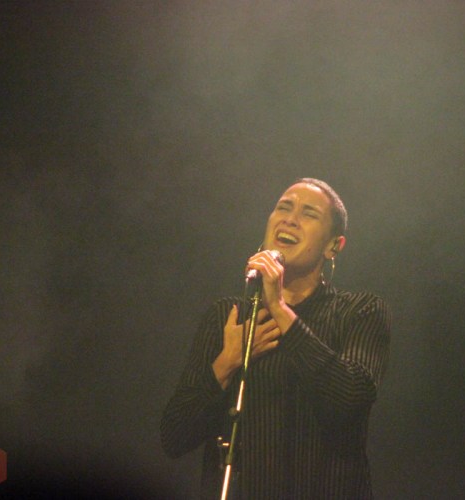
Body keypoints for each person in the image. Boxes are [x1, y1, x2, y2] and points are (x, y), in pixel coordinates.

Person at [161, 178, 391, 499]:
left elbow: (350, 399)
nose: (290, 219)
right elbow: (174, 437)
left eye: (308, 214)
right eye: (284, 207)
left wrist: (279, 309)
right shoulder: (229, 316)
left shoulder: (359, 311)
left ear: (333, 246)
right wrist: (227, 362)